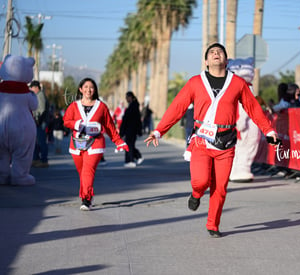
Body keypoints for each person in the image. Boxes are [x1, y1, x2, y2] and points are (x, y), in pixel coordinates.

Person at [144, 43, 279, 238]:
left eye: (220, 52)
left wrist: (268, 130)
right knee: (201, 181)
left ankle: (213, 224)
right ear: (206, 61)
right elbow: (177, 107)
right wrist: (158, 131)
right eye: (212, 53)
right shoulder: (195, 82)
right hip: (202, 141)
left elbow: (253, 108)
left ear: (226, 60)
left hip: (227, 143)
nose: (216, 54)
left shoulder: (238, 83)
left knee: (220, 188)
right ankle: (196, 193)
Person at [63, 78, 128, 211]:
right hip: (77, 144)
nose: (88, 90)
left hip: (95, 144)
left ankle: (86, 199)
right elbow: (66, 121)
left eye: (91, 87)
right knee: (82, 172)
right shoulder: (73, 106)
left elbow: (109, 126)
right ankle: (87, 194)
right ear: (80, 89)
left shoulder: (101, 106)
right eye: (85, 87)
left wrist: (118, 141)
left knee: (88, 170)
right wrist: (76, 124)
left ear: (95, 90)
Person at [120, 91, 144, 168]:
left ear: (131, 97)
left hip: (131, 129)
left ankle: (130, 161)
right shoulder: (132, 106)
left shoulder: (134, 107)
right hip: (129, 129)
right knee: (130, 145)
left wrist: (139, 130)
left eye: (127, 97)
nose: (126, 99)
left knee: (129, 145)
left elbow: (137, 120)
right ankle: (138, 156)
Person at [31, 80, 50, 168]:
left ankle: (44, 160)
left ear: (36, 88)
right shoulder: (37, 95)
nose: (31, 89)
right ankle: (36, 159)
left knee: (41, 141)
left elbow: (42, 109)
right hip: (38, 121)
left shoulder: (40, 95)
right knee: (36, 142)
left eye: (32, 87)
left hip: (40, 122)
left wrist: (39, 121)